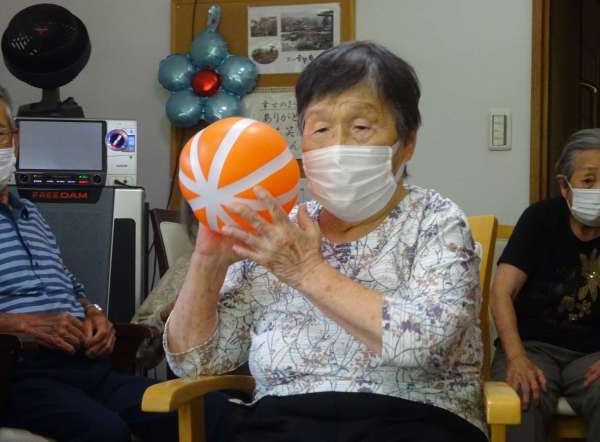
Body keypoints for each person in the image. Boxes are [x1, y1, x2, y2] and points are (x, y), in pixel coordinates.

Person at [165, 41, 487, 442]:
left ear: (407, 143)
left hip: (411, 423)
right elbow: (195, 362)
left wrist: (307, 271)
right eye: (320, 129)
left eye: (361, 127)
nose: (338, 146)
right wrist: (208, 260)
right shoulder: (277, 233)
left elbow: (423, 344)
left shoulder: (436, 221)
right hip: (281, 424)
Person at [0, 85, 178, 442]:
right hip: (15, 374)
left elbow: (69, 284)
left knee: (191, 411)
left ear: (15, 141)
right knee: (106, 432)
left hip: (84, 366)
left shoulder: (30, 213)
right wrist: (22, 324)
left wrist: (95, 314)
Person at [490, 129, 600, 442]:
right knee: (520, 397)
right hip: (531, 348)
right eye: (589, 180)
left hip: (593, 355)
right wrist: (516, 357)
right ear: (565, 186)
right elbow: (502, 292)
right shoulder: (539, 219)